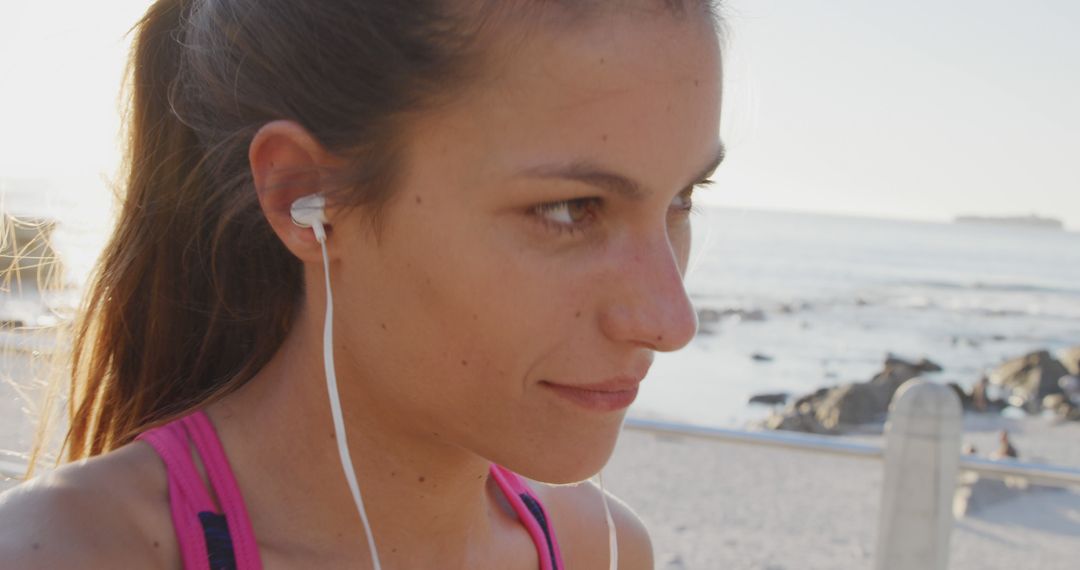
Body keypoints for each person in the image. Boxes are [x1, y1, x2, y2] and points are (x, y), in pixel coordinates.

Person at [0, 0, 724, 568]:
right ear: (304, 196)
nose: (671, 321)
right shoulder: (65, 553)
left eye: (683, 199)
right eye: (569, 209)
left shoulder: (602, 552)